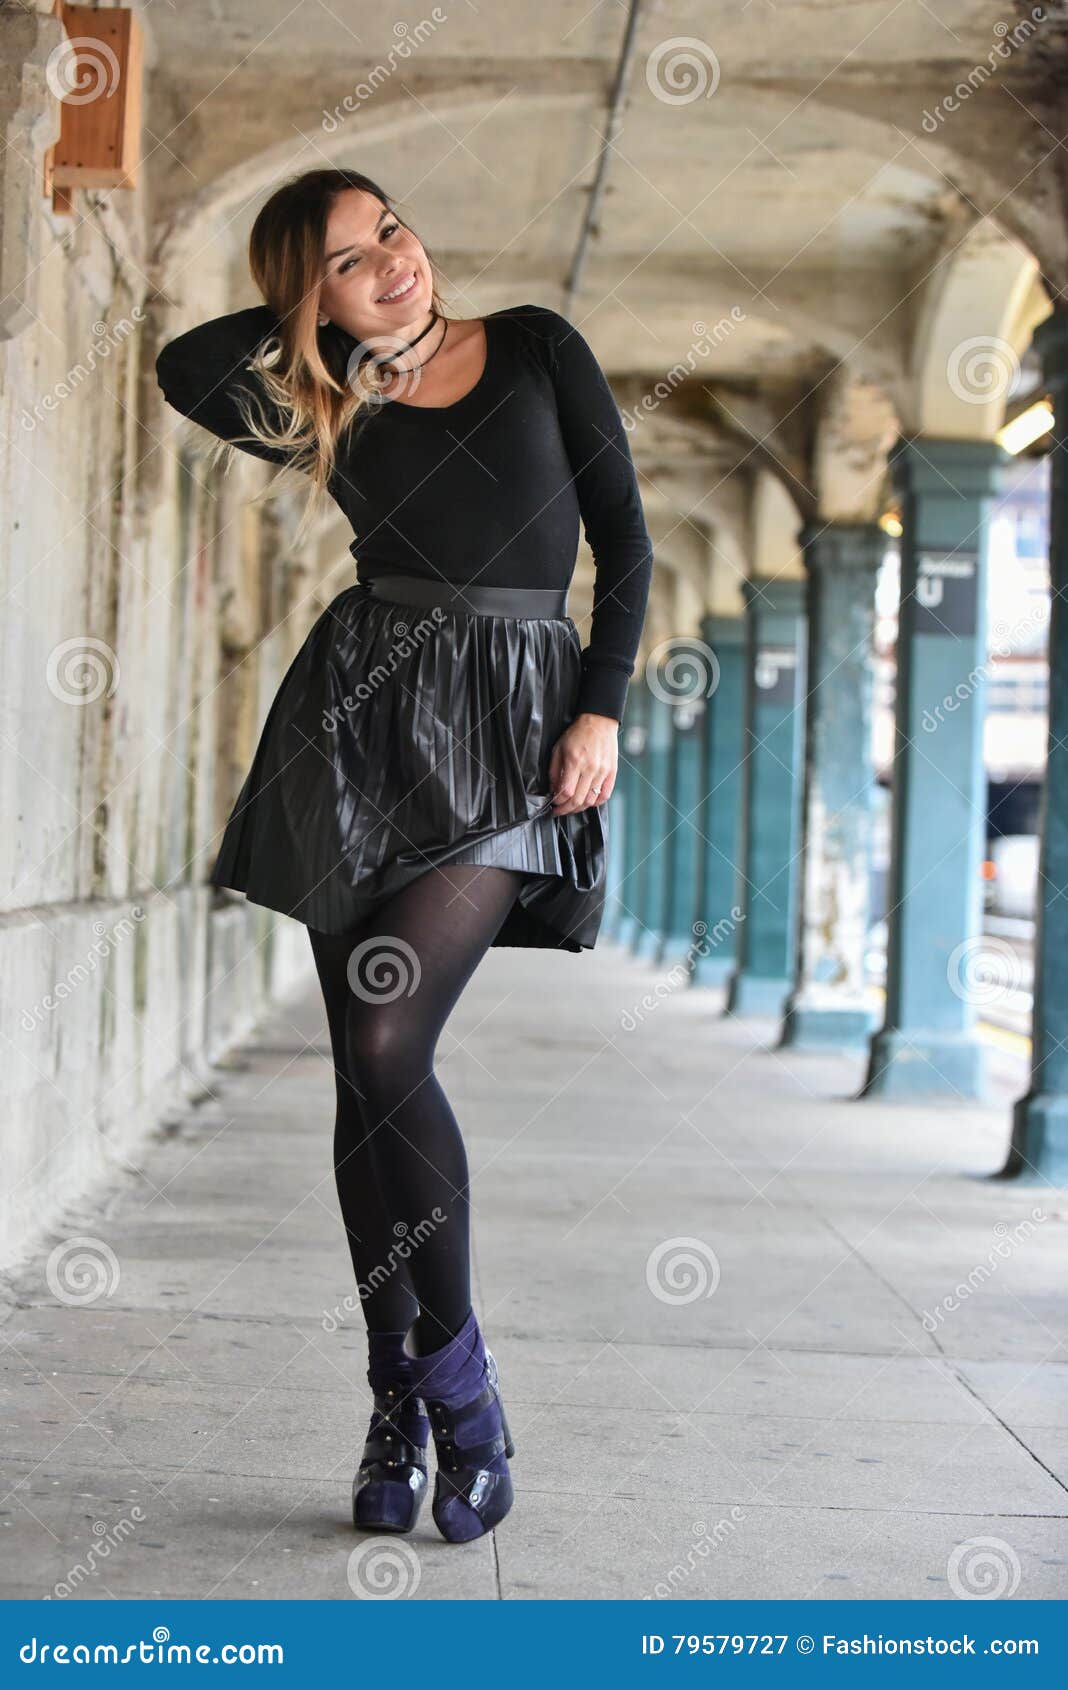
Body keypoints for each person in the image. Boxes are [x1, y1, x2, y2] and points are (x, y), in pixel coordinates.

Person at [154, 168, 654, 1544]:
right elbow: (185, 366)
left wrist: (601, 702)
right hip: (358, 722)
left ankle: (460, 1387)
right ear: (306, 294)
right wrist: (325, 342)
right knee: (365, 1086)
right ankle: (398, 1400)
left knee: (387, 1039)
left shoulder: (541, 346)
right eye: (346, 259)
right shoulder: (333, 408)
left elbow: (627, 540)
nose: (392, 262)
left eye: (392, 232)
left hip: (510, 727)